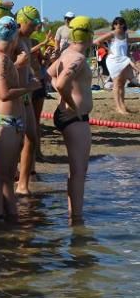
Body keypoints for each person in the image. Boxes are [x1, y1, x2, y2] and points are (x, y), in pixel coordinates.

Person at [0, 16, 37, 220]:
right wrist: (28, 88)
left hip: (12, 122)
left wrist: (18, 67)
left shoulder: (4, 60)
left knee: (6, 177)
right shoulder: (0, 59)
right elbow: (4, 93)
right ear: (14, 35)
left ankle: (11, 218)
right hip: (3, 122)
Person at [47, 16, 95, 221]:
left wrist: (65, 99)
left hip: (66, 115)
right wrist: (72, 104)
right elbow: (60, 84)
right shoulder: (78, 58)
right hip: (74, 118)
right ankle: (77, 218)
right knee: (79, 171)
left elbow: (49, 73)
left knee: (76, 170)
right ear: (89, 35)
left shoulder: (67, 52)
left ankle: (72, 213)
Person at [15, 6, 44, 196]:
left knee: (31, 137)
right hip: (16, 94)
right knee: (19, 140)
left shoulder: (26, 39)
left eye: (36, 25)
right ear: (22, 21)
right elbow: (4, 65)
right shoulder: (13, 38)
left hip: (26, 93)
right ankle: (20, 181)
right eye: (32, 25)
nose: (35, 28)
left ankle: (25, 178)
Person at [94, 17, 140, 115]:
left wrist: (129, 57)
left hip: (123, 59)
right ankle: (118, 107)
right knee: (116, 83)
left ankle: (123, 105)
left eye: (119, 23)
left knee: (122, 83)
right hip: (113, 60)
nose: (117, 25)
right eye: (115, 24)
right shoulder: (112, 34)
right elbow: (97, 41)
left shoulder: (125, 35)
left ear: (123, 25)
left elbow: (126, 48)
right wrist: (107, 49)